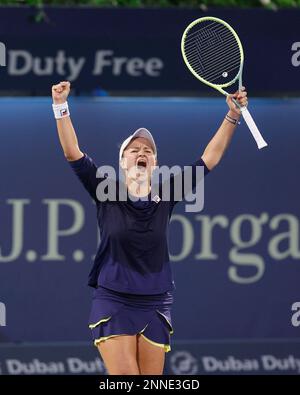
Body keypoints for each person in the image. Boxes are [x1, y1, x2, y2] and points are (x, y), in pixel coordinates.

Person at [51, 81, 248, 375]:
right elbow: (72, 152)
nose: (142, 152)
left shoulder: (167, 194)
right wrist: (60, 106)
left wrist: (232, 115)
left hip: (155, 300)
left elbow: (210, 158)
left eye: (148, 150)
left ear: (154, 164)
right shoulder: (106, 190)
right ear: (122, 162)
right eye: (134, 149)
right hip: (114, 298)